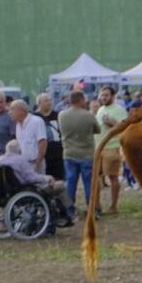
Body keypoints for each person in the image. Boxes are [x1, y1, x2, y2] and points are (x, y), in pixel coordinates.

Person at [0, 137, 74, 226]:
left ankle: (62, 213)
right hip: (27, 190)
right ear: (19, 149)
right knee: (60, 185)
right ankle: (69, 212)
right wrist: (47, 178)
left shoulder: (0, 160)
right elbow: (31, 177)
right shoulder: (19, 160)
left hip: (10, 191)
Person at [58, 89, 99, 217]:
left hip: (69, 154)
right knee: (88, 184)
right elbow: (97, 130)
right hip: (86, 154)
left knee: (70, 182)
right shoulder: (88, 115)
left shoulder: (62, 115)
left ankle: (69, 209)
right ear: (81, 100)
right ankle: (92, 209)